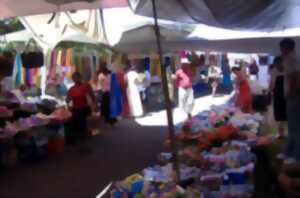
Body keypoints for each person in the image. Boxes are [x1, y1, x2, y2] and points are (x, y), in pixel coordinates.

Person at [280, 38, 300, 162]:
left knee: (295, 126)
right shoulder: (292, 58)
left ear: (286, 48)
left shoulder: (292, 59)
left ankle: (296, 156)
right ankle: (290, 152)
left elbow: (296, 77)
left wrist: (291, 93)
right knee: (293, 126)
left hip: (295, 96)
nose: (281, 51)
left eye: (282, 49)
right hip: (294, 95)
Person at [66, 72, 97, 150]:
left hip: (84, 108)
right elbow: (67, 100)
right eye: (74, 78)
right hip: (75, 109)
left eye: (77, 77)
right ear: (73, 79)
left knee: (82, 126)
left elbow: (92, 95)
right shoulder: (71, 89)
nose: (76, 79)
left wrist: (95, 104)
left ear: (80, 77)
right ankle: (81, 143)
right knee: (77, 127)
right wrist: (69, 100)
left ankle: (84, 144)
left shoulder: (86, 86)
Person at [269, 56, 287, 139]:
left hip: (288, 95)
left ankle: (292, 134)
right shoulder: (274, 71)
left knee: (288, 115)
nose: (277, 66)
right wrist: (270, 90)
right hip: (277, 95)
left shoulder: (288, 70)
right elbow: (272, 83)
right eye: (276, 64)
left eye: (279, 64)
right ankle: (281, 134)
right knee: (279, 115)